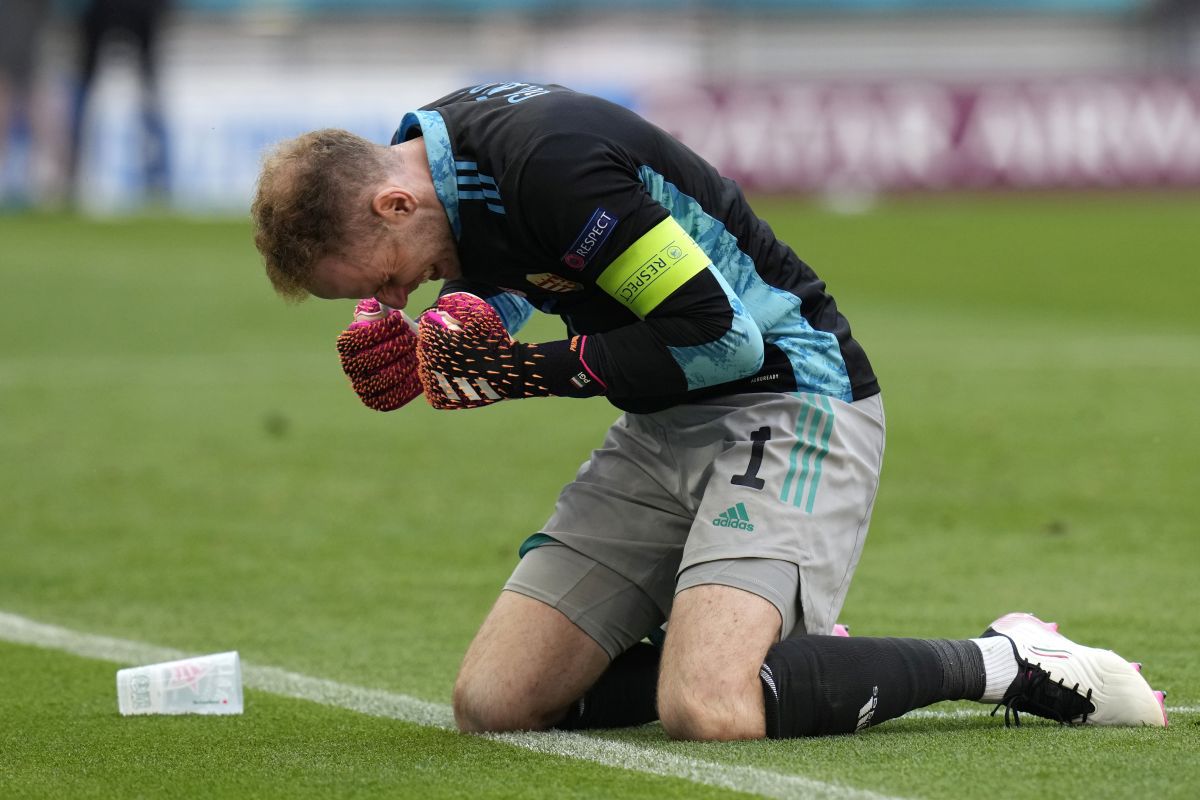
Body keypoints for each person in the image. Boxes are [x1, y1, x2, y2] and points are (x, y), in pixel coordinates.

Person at [250, 82, 1167, 739]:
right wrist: (457, 329)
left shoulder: (548, 164)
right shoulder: (443, 152)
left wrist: (520, 373)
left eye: (384, 279)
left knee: (711, 709)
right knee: (494, 704)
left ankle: (1003, 659)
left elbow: (723, 341)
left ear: (394, 198)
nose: (397, 294)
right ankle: (777, 648)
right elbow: (528, 269)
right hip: (660, 423)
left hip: (790, 397)